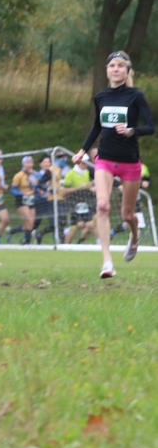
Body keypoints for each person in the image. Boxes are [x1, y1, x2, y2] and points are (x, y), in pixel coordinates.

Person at [73, 50, 154, 278]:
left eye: (120, 65)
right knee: (102, 206)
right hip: (105, 159)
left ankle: (134, 237)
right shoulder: (101, 97)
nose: (116, 69)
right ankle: (107, 262)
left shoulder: (136, 96)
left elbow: (150, 126)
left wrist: (131, 131)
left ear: (127, 71)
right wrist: (82, 151)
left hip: (130, 161)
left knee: (127, 215)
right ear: (107, 70)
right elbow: (97, 127)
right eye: (112, 65)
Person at [61, 158, 96, 244]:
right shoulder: (70, 174)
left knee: (90, 225)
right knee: (73, 228)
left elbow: (90, 184)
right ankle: (66, 246)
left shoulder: (87, 172)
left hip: (84, 203)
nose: (85, 165)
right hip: (72, 203)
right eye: (83, 163)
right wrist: (78, 188)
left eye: (86, 163)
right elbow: (64, 191)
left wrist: (89, 186)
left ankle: (79, 243)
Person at [6, 155, 37, 244]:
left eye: (31, 163)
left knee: (31, 223)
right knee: (28, 220)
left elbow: (37, 186)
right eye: (27, 163)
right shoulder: (19, 175)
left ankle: (11, 232)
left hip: (31, 200)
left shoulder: (35, 174)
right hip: (21, 200)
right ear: (23, 164)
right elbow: (12, 190)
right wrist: (23, 193)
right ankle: (27, 241)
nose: (29, 165)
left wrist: (34, 191)